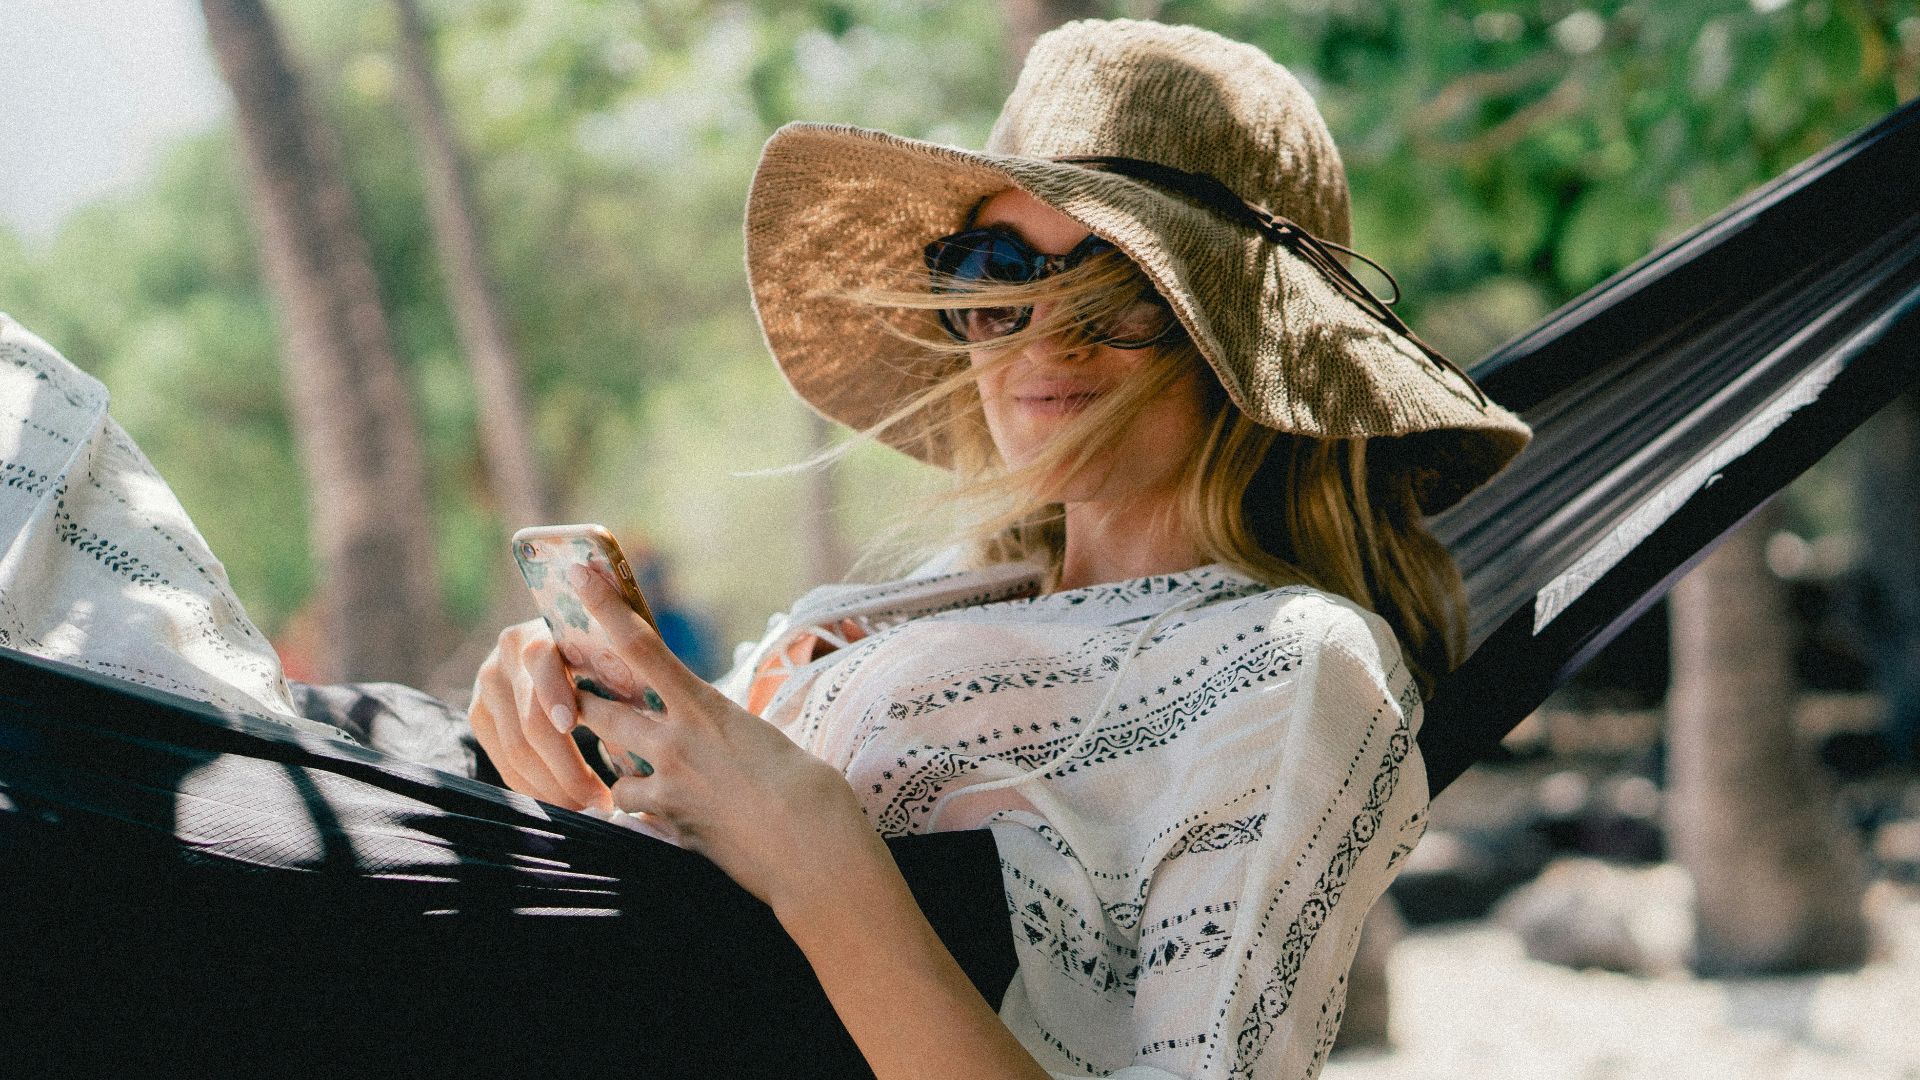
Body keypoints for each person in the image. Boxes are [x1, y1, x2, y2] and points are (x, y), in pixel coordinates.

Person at [466, 18, 1529, 1080]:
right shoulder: (941, 598)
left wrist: (818, 859)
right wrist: (578, 746)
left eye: (1118, 291)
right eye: (997, 270)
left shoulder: (1292, 669)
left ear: (1248, 346)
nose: (1041, 336)